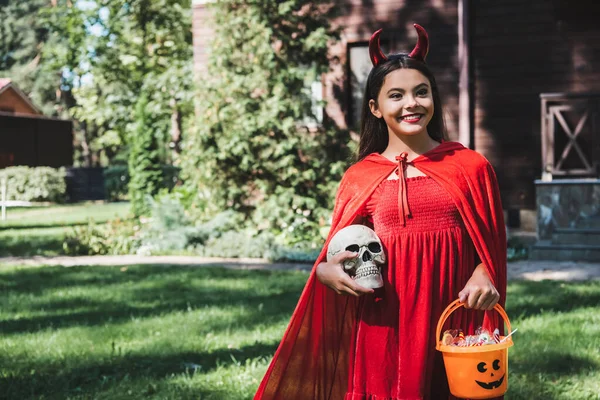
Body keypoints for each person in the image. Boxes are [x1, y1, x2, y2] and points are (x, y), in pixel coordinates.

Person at [255, 24, 507, 400]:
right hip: (385, 320)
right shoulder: (361, 176)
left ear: (434, 99)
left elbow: (492, 245)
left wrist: (484, 272)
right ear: (375, 107)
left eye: (422, 92)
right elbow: (339, 250)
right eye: (397, 95)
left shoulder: (469, 166)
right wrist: (325, 270)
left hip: (454, 317)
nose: (412, 103)